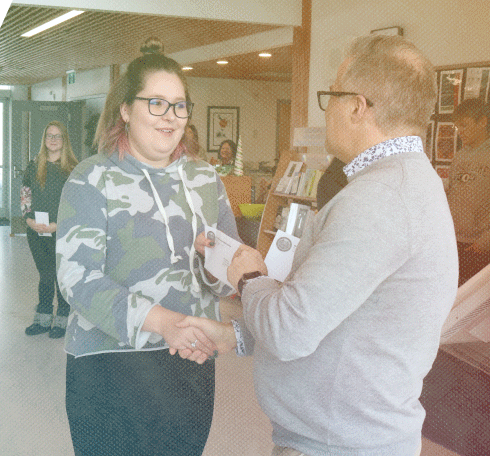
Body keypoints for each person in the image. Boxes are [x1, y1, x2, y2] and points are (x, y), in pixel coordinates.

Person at [178, 35, 459, 456]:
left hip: (336, 445)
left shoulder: (380, 199)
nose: (326, 111)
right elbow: (337, 319)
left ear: (357, 107)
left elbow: (289, 330)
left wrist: (248, 273)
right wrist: (235, 335)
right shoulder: (404, 184)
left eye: (330, 96)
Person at [55, 37, 240, 456]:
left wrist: (223, 269)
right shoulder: (92, 179)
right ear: (125, 109)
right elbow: (78, 280)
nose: (170, 116)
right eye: (156, 103)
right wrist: (163, 321)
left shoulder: (206, 180)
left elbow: (228, 271)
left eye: (179, 105)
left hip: (189, 360)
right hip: (108, 365)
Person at [21, 121, 78, 338]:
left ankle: (63, 320)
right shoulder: (33, 165)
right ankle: (43, 320)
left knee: (60, 277)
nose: (53, 140)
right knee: (45, 275)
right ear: (44, 140)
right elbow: (25, 193)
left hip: (62, 231)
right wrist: (28, 220)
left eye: (57, 136)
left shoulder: (73, 168)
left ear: (64, 140)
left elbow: (77, 203)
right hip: (36, 231)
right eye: (49, 136)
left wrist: (58, 224)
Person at [447, 98, 490, 286]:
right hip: (454, 240)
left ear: (482, 122)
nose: (460, 131)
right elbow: (454, 194)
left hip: (480, 245)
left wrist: (485, 241)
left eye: (464, 125)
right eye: (457, 127)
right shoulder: (460, 155)